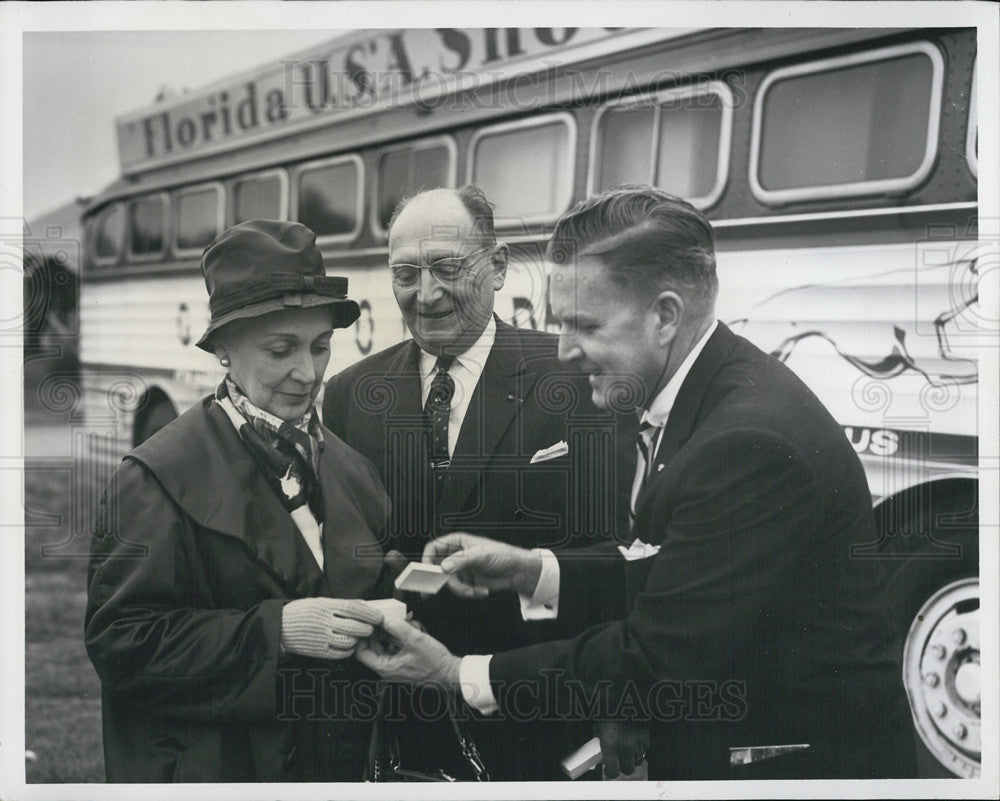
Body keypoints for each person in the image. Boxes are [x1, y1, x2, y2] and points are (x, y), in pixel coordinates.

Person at [355, 185, 918, 780]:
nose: (565, 350)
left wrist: (456, 673)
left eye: (584, 325)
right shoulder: (717, 393)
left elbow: (657, 659)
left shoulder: (746, 444)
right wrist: (533, 569)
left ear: (666, 316)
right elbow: (667, 571)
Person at [323, 186, 633, 779]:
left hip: (537, 719)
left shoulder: (575, 378)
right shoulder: (349, 396)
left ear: (497, 267)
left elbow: (614, 559)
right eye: (405, 273)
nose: (426, 293)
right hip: (398, 723)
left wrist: (619, 704)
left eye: (447, 267)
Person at [85, 220, 398, 782]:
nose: (309, 372)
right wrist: (276, 630)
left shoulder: (355, 471)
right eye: (281, 349)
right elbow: (122, 644)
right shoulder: (154, 478)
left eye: (321, 345)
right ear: (223, 348)